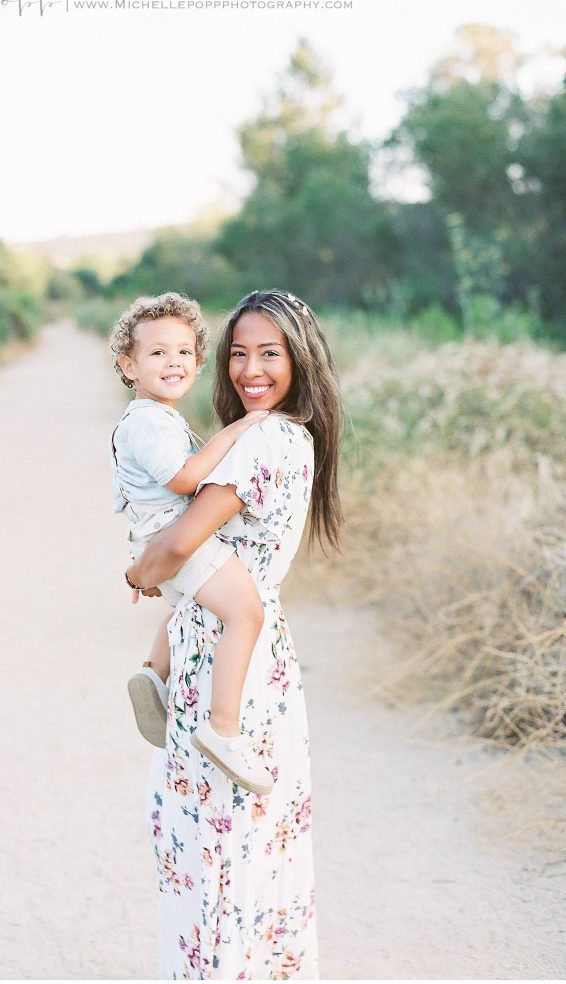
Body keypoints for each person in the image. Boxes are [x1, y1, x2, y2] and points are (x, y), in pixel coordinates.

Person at [125, 288, 344, 979]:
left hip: (224, 663)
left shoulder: (262, 438)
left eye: (269, 354)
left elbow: (174, 548)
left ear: (299, 360)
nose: (250, 369)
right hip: (250, 653)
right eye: (239, 353)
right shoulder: (294, 435)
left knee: (214, 866)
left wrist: (140, 568)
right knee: (253, 861)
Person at [110, 291, 281, 795]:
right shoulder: (146, 420)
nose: (173, 362)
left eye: (184, 352)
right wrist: (238, 431)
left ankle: (154, 673)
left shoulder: (156, 416)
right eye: (157, 352)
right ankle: (223, 728)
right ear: (129, 364)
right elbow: (185, 479)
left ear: (200, 361)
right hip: (174, 535)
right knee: (246, 612)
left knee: (188, 608)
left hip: (157, 534)